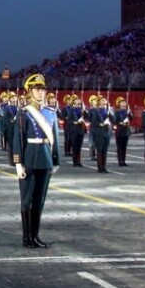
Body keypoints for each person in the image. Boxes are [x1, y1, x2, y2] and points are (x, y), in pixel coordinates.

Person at [12, 74, 59, 248]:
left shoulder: (51, 112)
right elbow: (18, 139)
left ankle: (35, 236)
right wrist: (17, 162)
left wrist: (56, 161)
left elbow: (55, 138)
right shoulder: (24, 113)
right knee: (26, 200)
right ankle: (26, 237)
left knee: (39, 200)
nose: (41, 92)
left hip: (45, 159)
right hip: (29, 159)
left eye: (42, 89)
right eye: (37, 89)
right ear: (29, 92)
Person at [89, 95, 114, 173]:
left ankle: (104, 167)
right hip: (99, 133)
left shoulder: (108, 111)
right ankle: (100, 167)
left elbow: (113, 120)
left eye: (105, 101)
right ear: (99, 102)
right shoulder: (97, 111)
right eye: (102, 101)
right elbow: (93, 122)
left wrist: (110, 113)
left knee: (105, 151)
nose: (104, 102)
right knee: (100, 150)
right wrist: (100, 124)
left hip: (107, 133)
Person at [67, 95, 87, 167]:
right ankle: (75, 162)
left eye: (79, 103)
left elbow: (87, 116)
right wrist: (75, 122)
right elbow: (69, 120)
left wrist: (85, 111)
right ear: (74, 103)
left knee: (79, 147)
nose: (79, 103)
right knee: (75, 146)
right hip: (74, 130)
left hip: (81, 130)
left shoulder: (82, 110)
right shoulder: (71, 110)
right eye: (77, 102)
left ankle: (79, 161)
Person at [113, 97, 133, 167]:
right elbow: (115, 121)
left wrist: (129, 113)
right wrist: (122, 123)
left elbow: (131, 119)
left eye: (124, 103)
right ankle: (119, 161)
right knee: (119, 147)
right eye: (122, 103)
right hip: (119, 131)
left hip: (126, 131)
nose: (124, 104)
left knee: (124, 147)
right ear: (120, 104)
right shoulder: (117, 112)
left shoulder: (127, 111)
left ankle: (123, 161)